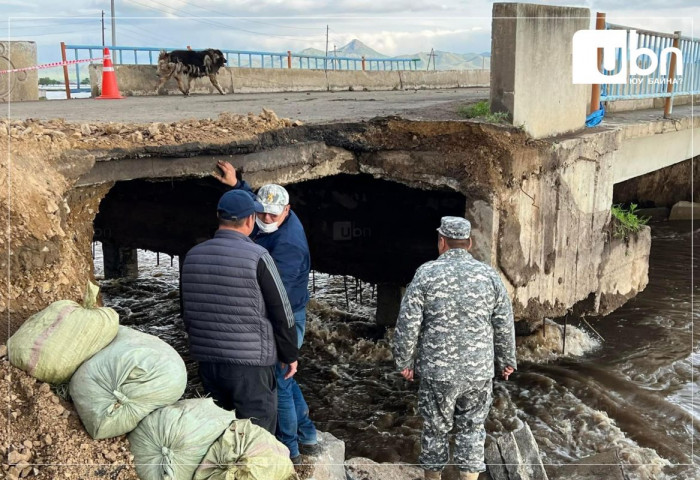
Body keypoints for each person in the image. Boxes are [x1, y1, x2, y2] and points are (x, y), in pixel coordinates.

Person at [392, 216, 517, 480]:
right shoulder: (489, 276)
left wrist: (404, 361)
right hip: (478, 372)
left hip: (438, 373)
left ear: (442, 242)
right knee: (472, 430)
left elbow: (408, 322)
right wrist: (507, 360)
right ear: (469, 243)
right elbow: (504, 322)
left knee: (435, 431)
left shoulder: (426, 274)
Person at [213, 161, 319, 462]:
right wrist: (237, 185)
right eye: (260, 213)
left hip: (287, 312)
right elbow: (253, 202)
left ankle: (290, 450)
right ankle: (308, 432)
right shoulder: (273, 218)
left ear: (288, 210)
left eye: (273, 214)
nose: (265, 218)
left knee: (278, 381)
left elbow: (276, 299)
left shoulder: (288, 245)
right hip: (285, 307)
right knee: (285, 376)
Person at [181, 189, 299, 434]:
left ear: (218, 216)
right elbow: (282, 312)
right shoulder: (259, 257)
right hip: (251, 367)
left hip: (208, 363)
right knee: (255, 436)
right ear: (250, 220)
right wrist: (289, 355)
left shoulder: (192, 256)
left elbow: (187, 310)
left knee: (219, 431)